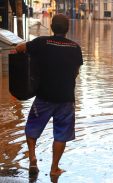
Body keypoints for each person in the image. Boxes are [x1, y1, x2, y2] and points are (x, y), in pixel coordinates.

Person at [15, 14, 83, 176]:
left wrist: (20, 46)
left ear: (52, 27)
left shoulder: (41, 42)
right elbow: (75, 73)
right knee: (61, 134)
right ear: (67, 29)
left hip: (44, 96)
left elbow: (20, 48)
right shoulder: (75, 47)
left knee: (32, 128)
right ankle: (54, 169)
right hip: (66, 99)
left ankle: (32, 159)